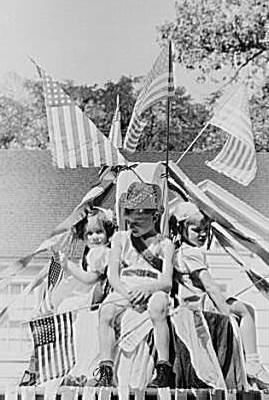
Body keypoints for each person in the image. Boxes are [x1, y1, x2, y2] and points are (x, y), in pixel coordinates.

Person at [170, 201, 269, 390]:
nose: (202, 234)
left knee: (244, 308)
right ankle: (253, 363)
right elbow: (210, 286)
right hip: (198, 305)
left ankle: (252, 365)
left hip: (193, 303)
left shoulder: (179, 252)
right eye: (196, 230)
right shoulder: (190, 253)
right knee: (245, 310)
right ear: (182, 229)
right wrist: (226, 313)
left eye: (205, 229)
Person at [93, 182, 175, 388]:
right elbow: (113, 275)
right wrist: (127, 293)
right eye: (130, 222)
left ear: (154, 218)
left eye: (138, 221)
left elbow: (166, 281)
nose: (132, 226)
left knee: (158, 307)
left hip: (153, 287)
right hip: (126, 287)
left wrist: (148, 290)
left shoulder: (165, 244)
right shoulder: (120, 239)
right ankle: (106, 369)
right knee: (107, 311)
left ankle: (164, 368)